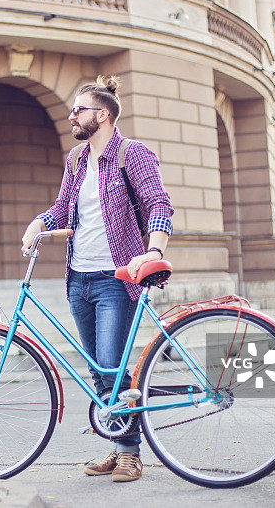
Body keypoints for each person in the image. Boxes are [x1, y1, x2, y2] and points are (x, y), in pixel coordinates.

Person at [21, 76, 174, 482]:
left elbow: (158, 202)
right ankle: (117, 442)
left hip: (116, 278)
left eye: (78, 109)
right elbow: (62, 208)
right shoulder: (76, 160)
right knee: (98, 370)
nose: (71, 115)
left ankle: (130, 453)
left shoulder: (132, 154)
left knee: (111, 363)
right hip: (78, 278)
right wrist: (39, 223)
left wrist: (154, 250)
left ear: (102, 115)